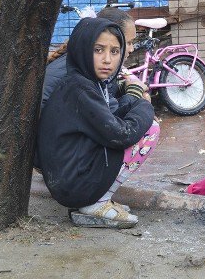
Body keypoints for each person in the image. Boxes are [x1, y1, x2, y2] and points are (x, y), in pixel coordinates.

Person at [36, 17, 159, 228]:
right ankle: (96, 203)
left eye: (114, 51)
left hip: (67, 177)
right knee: (151, 128)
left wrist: (135, 104)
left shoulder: (87, 82)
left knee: (138, 119)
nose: (107, 60)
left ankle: (97, 199)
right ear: (83, 49)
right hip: (72, 186)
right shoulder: (81, 89)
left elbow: (109, 121)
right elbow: (121, 134)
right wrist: (145, 107)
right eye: (98, 50)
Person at [41, 7, 141, 112]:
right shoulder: (83, 72)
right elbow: (111, 119)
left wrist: (122, 89)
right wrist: (134, 94)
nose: (132, 49)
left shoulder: (81, 62)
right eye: (129, 42)